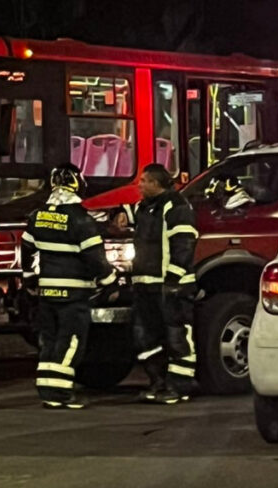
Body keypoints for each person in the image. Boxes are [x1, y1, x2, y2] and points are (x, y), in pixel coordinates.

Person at [21, 164, 117, 409]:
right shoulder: (81, 220)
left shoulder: (38, 216)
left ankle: (47, 392)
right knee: (71, 342)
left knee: (49, 341)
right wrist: (110, 281)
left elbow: (27, 250)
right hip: (73, 294)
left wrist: (30, 278)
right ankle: (62, 394)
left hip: (47, 292)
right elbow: (95, 258)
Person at [125, 163, 200, 404]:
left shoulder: (176, 206)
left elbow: (184, 243)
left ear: (156, 184)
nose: (140, 185)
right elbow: (132, 218)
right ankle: (157, 383)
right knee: (146, 338)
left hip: (171, 286)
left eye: (144, 181)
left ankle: (180, 387)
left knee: (177, 337)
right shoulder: (144, 207)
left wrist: (174, 278)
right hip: (145, 284)